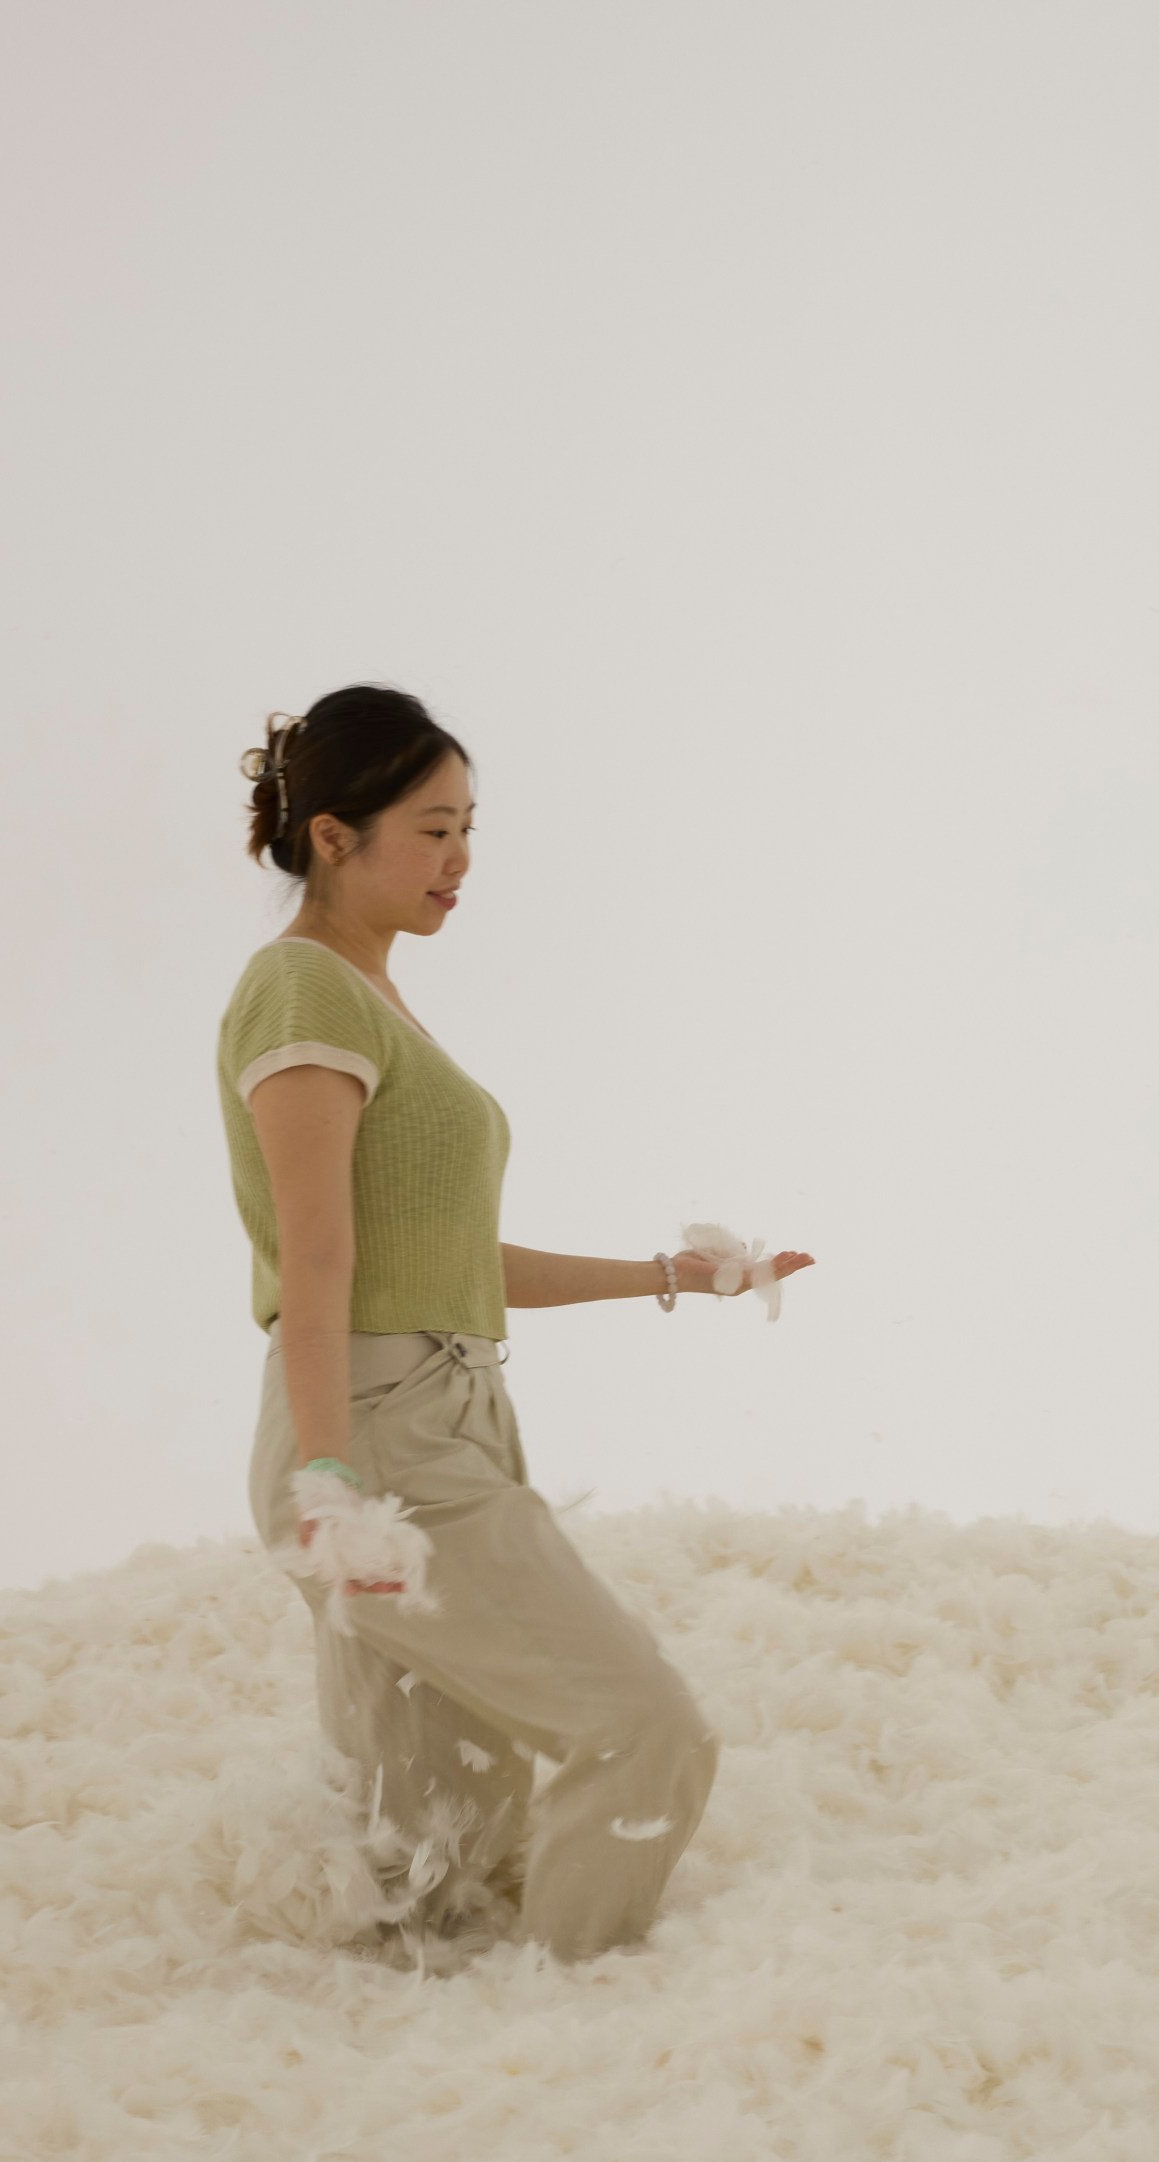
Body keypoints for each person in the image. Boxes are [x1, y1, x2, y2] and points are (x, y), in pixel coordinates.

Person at [219, 686, 811, 1957]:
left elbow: (437, 1262)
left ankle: (439, 2079)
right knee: (643, 1727)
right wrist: (332, 1481)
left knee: (435, 1844)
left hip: (439, 1419)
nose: (461, 861)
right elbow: (318, 1263)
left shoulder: (370, 1006)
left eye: (470, 828)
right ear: (333, 836)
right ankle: (586, 2024)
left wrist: (671, 1275)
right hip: (376, 1441)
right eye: (432, 830)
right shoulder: (301, 996)